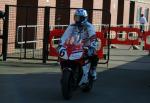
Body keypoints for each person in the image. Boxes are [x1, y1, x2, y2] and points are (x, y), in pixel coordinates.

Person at [58, 9, 99, 86]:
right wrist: (60, 44)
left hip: (86, 45)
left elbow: (93, 37)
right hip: (74, 45)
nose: (77, 19)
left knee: (94, 55)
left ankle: (93, 71)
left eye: (79, 18)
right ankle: (65, 72)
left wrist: (92, 46)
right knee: (64, 57)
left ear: (84, 18)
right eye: (76, 17)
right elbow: (65, 36)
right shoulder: (72, 26)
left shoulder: (89, 26)